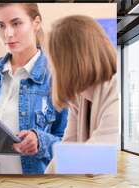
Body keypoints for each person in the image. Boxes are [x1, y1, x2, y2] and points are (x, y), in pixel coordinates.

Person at [0, 3, 68, 174]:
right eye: (1, 25)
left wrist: (40, 141)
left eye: (16, 23)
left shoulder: (58, 76)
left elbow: (70, 144)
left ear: (36, 23)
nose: (8, 34)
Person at [44, 15, 119, 173]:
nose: (51, 67)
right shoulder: (79, 99)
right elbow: (69, 147)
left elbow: (100, 155)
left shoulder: (116, 90)